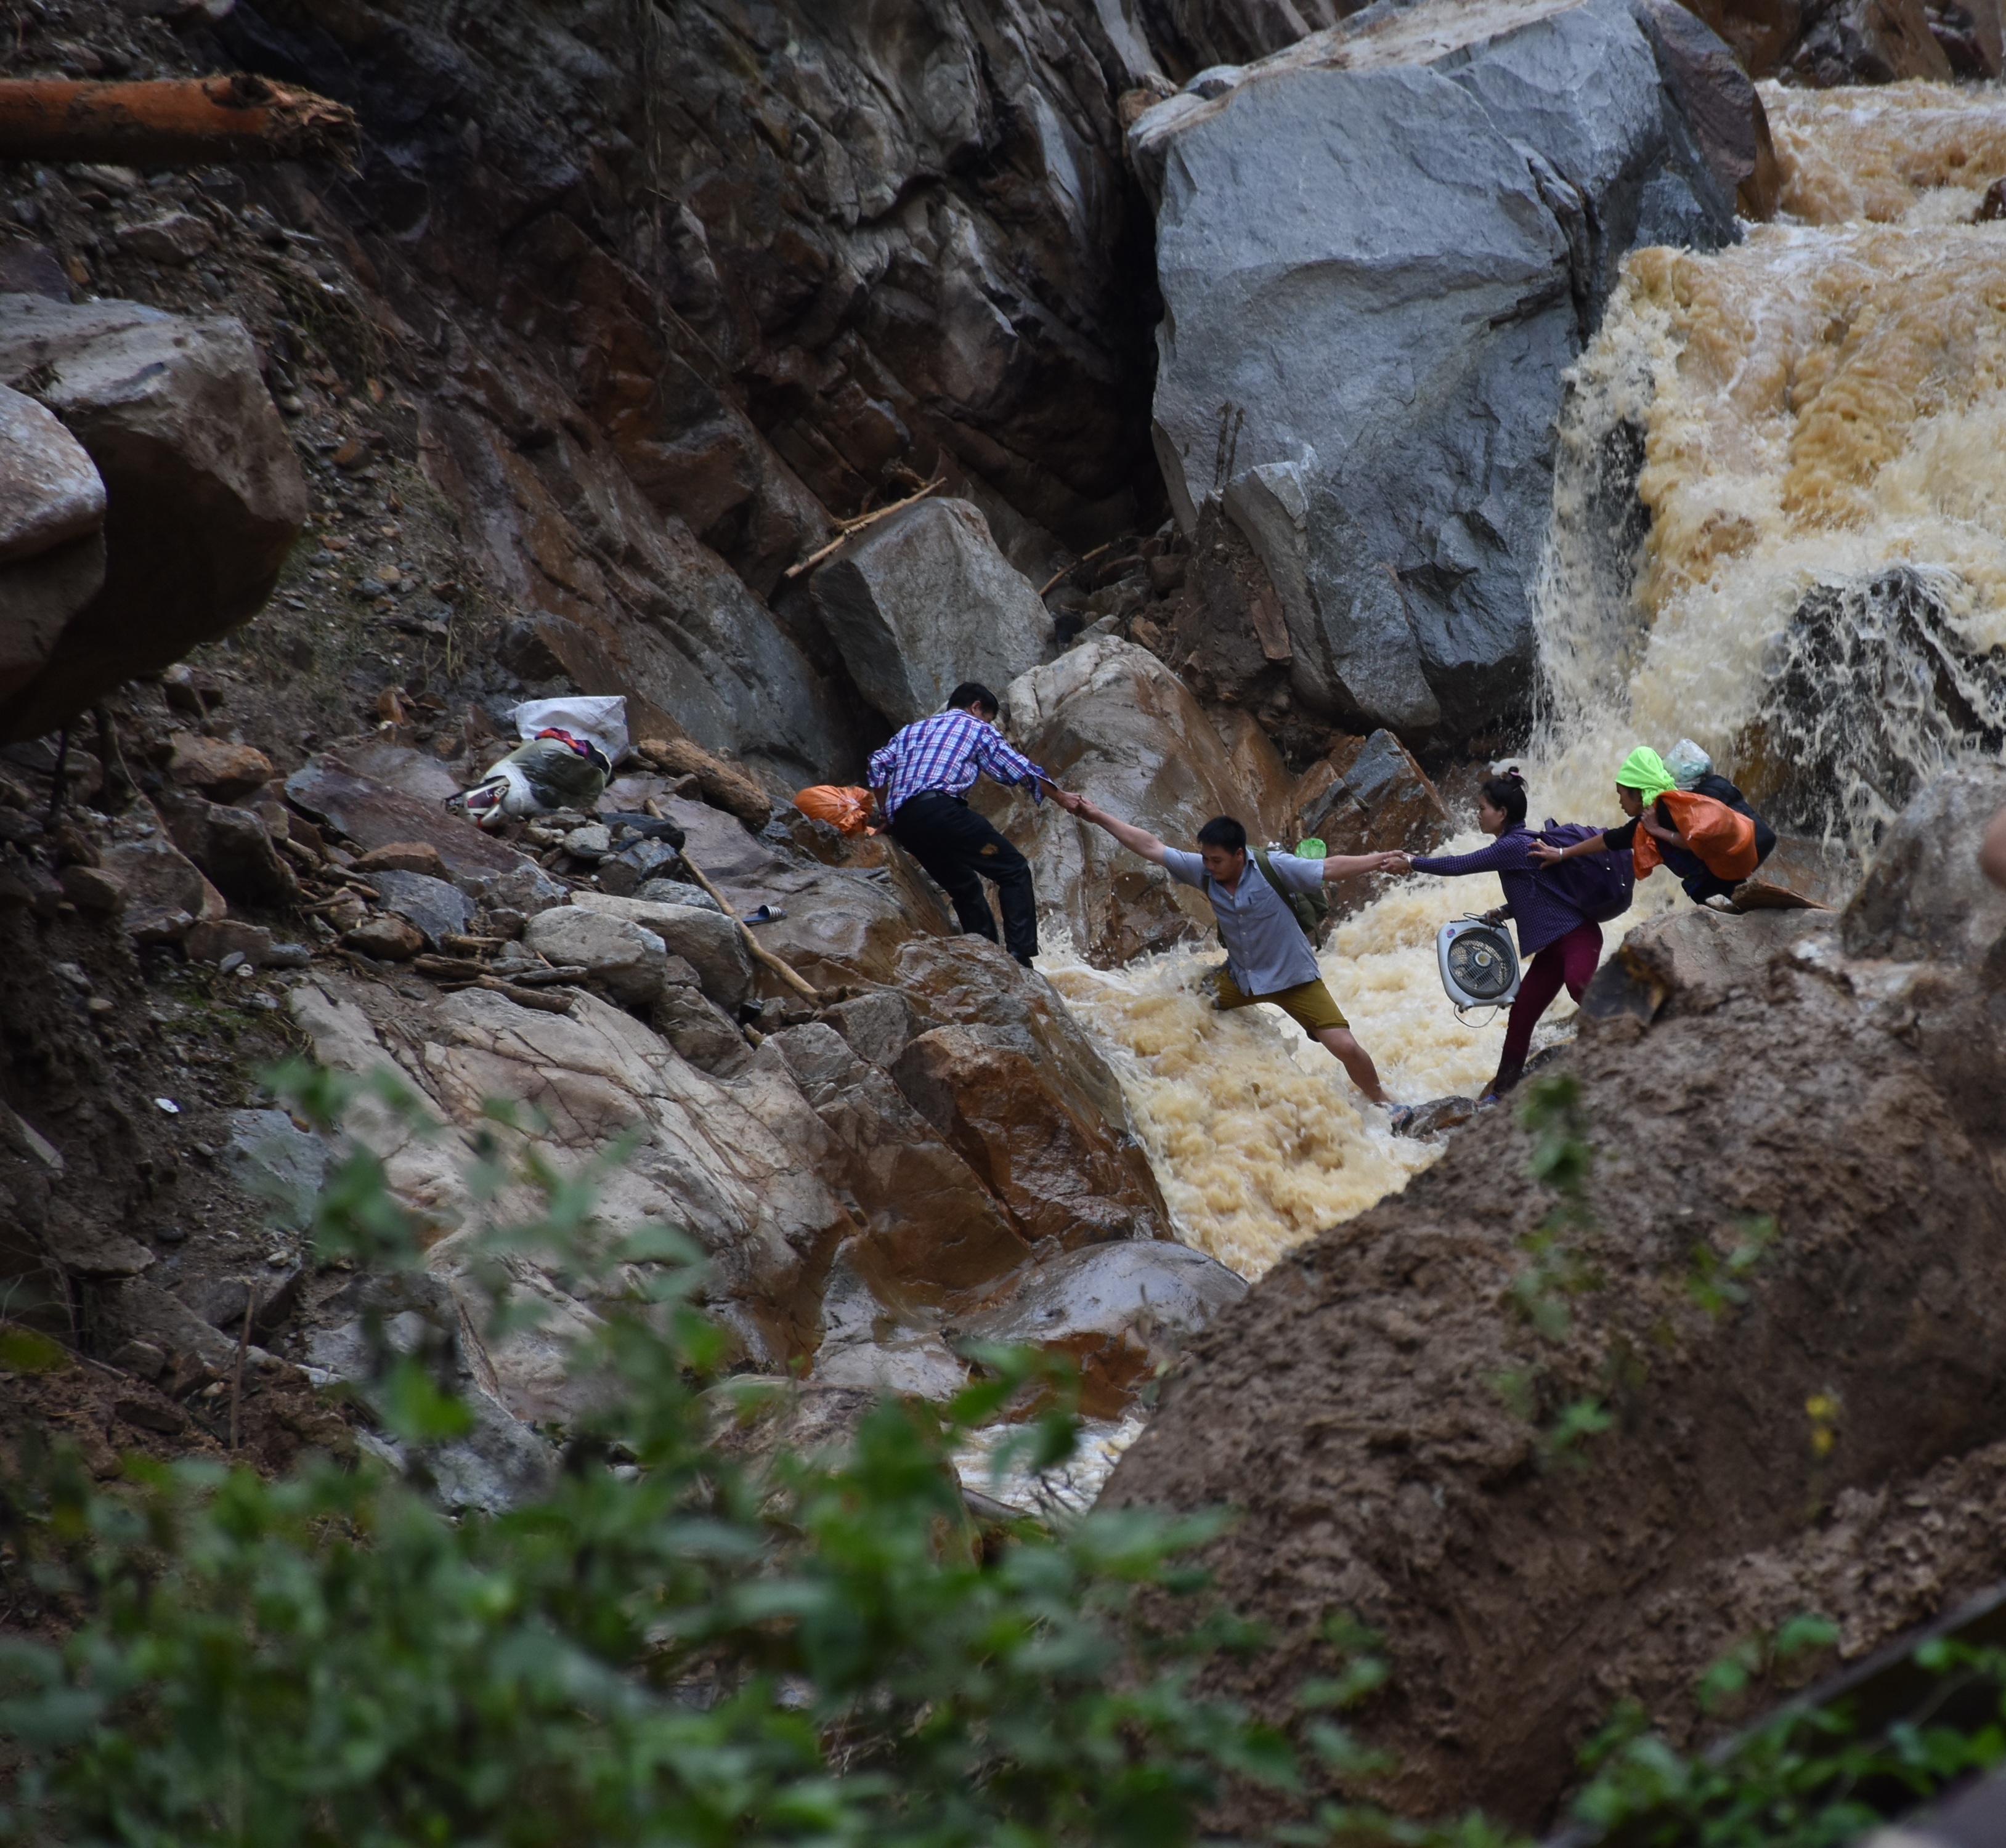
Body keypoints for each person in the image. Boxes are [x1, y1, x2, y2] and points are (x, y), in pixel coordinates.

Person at [1058, 795, 1411, 1123]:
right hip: (1241, 980)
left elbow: (1329, 868)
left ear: (1239, 855)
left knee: (1345, 1045)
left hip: (1295, 980)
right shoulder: (1204, 872)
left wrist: (1380, 861)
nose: (1209, 867)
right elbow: (1151, 846)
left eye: (1217, 861)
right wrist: (1096, 815)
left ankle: (1382, 1099)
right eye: (1206, 859)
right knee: (1171, 1004)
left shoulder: (1276, 867)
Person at [1387, 769, 1600, 1100]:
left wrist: (1413, 863)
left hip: (1577, 936)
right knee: (1522, 1014)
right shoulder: (1516, 845)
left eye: (1483, 808)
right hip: (1553, 948)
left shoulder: (1512, 845)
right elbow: (1541, 891)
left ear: (1502, 814)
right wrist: (1505, 911)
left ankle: (1623, 1043)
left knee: (1579, 986)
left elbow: (1460, 865)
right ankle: (1501, 1095)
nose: (1478, 813)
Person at [867, 682, 1064, 968]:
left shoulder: (912, 730)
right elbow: (1016, 767)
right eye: (988, 717)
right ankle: (1020, 960)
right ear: (976, 707)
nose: (988, 723)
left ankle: (984, 960)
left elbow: (877, 764)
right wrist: (1062, 796)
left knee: (965, 887)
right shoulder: (975, 727)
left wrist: (888, 812)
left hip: (907, 825)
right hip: (942, 811)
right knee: (1013, 869)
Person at [1532, 745, 1774, 908]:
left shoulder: (1666, 812)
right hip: (1758, 843)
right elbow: (1611, 840)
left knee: (1697, 886)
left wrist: (1660, 832)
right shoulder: (1667, 807)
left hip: (1730, 869)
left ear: (1638, 793)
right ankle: (1741, 897)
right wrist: (1563, 853)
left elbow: (1695, 840)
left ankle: (1735, 900)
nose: (1619, 802)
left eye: (1622, 794)